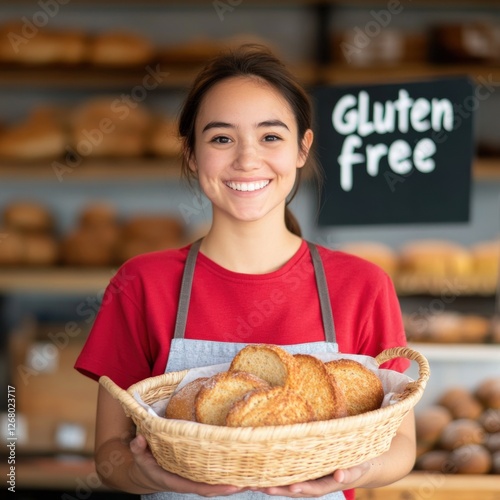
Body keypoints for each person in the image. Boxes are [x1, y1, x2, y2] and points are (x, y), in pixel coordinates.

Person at [75, 44, 415, 500]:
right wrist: (152, 476)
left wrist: (352, 474)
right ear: (192, 153)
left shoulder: (362, 285)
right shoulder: (141, 284)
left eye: (271, 137)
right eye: (221, 138)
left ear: (302, 148)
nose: (247, 159)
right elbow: (109, 455)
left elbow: (402, 444)